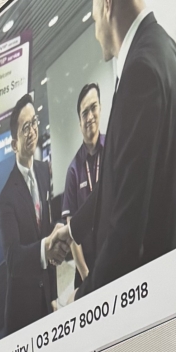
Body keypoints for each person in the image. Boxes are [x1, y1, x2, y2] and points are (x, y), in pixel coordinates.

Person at [60, 0, 176, 294]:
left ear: (107, 1)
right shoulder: (164, 49)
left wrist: (82, 303)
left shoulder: (139, 73)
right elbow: (122, 178)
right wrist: (72, 229)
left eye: (93, 16)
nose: (96, 27)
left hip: (155, 287)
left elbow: (127, 228)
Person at [0, 96, 69, 336]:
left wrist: (54, 295)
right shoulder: (6, 197)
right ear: (14, 143)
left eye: (34, 123)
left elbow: (45, 227)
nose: (32, 131)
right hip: (22, 311)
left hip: (45, 298)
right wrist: (44, 248)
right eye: (24, 127)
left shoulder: (42, 171)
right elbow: (13, 259)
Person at [62, 82, 104, 288]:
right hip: (86, 264)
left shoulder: (114, 149)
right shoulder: (73, 171)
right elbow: (71, 231)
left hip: (115, 251)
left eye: (93, 108)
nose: (90, 117)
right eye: (84, 113)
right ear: (79, 122)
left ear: (100, 109)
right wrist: (86, 275)